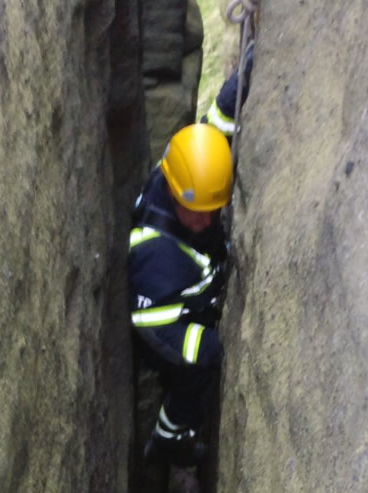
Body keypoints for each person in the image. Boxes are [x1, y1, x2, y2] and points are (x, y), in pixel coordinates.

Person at [128, 49, 255, 466]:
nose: (207, 222)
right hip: (166, 326)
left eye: (212, 212)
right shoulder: (155, 254)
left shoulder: (187, 170)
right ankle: (167, 444)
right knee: (190, 381)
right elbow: (151, 325)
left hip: (186, 296)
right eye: (197, 215)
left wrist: (238, 84)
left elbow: (214, 132)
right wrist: (210, 347)